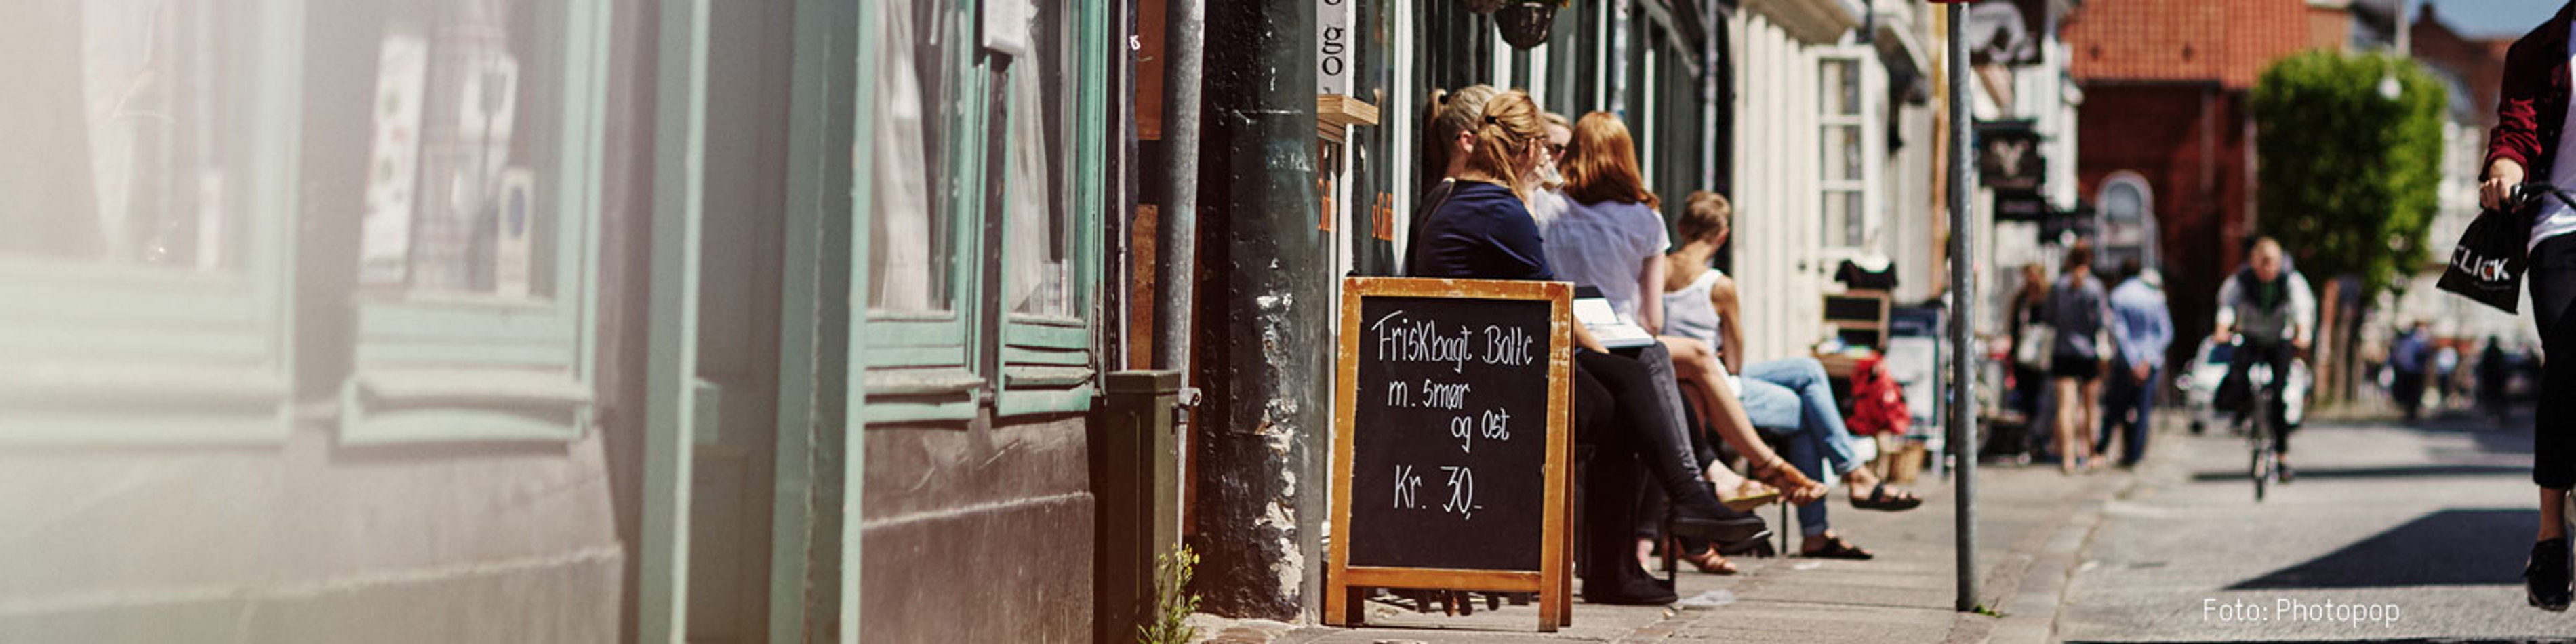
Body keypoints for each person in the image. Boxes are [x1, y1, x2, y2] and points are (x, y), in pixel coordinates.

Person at [1409, 89, 1766, 605]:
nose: (1552, 160)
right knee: (1630, 386)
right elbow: (1554, 305)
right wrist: (1600, 355)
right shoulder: (1503, 211)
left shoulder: (1459, 199)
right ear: (1529, 150)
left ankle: (1678, 510)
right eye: (1545, 149)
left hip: (1472, 369)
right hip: (1489, 387)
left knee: (1633, 378)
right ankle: (1668, 518)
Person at [1532, 112, 1825, 573]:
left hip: (1561, 342)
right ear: (1626, 157)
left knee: (1682, 379)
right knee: (1696, 361)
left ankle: (1712, 491)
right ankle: (1744, 472)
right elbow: (1652, 318)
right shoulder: (1643, 219)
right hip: (1621, 343)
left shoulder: (1546, 207)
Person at [1658, 190, 1925, 561]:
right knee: (1806, 411)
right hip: (1715, 384)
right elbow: (1734, 361)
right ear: (1723, 235)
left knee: (1808, 370)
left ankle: (1849, 484)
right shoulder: (1719, 285)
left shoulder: (1660, 270)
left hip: (1672, 374)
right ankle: (1841, 496)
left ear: (1682, 228)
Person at [2480, 3, 2576, 609]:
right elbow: (2515, 131)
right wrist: (2505, 166)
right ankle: (2550, 534)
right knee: (2568, 358)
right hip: (2562, 224)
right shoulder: (2538, 51)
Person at [2211, 237, 2314, 479]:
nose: (2267, 269)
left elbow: (2302, 307)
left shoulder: (2290, 280)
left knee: (2279, 396)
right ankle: (2244, 413)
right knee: (2238, 376)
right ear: (2253, 262)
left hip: (2279, 339)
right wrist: (2222, 328)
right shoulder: (2241, 280)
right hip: (2251, 336)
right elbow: (2227, 305)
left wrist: (2303, 332)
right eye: (2263, 263)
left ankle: (2282, 456)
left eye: (2272, 263)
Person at [1403, 85, 1500, 275]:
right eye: (1503, 138)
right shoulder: (1464, 203)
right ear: (1468, 141)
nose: (1513, 149)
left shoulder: (1445, 197)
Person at [2045, 242, 2112, 474]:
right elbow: (2102, 323)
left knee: (2065, 407)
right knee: (2091, 407)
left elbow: (2049, 318)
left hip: (2063, 351)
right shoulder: (2095, 287)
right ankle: (2092, 453)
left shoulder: (2059, 286)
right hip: (2088, 353)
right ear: (2089, 260)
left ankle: (2068, 457)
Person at [2099, 259, 2171, 468]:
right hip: (2150, 363)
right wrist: (2148, 360)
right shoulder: (2155, 296)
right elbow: (2166, 332)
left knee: (2115, 409)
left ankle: (2102, 448)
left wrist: (2133, 362)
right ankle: (2135, 455)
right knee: (2143, 410)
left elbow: (2120, 333)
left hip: (2126, 363)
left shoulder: (2118, 296)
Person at [2007, 263, 2053, 447]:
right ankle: (2028, 438)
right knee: (2025, 399)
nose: (2030, 280)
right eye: (2028, 276)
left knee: (2043, 398)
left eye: (2034, 276)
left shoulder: (2047, 298)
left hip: (2043, 356)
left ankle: (2040, 438)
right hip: (2023, 356)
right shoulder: (2020, 299)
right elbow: (2013, 326)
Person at [2392, 321, 2431, 422]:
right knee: (2411, 392)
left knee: (2412, 392)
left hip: (2412, 370)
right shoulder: (2416, 341)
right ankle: (2410, 411)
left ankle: (2411, 411)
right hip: (2412, 370)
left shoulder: (2415, 341)